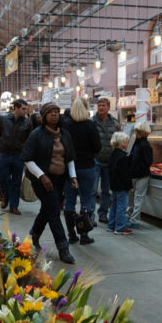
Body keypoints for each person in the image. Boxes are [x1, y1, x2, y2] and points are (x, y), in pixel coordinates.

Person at [20, 102, 78, 264]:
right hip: (41, 180)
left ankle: (33, 235)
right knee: (54, 211)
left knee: (48, 208)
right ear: (44, 116)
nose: (54, 114)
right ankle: (63, 247)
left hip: (59, 180)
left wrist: (73, 177)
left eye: (56, 112)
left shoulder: (65, 134)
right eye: (50, 112)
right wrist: (42, 176)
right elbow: (27, 159)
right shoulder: (37, 134)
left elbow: (70, 158)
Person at [63, 98, 101, 245]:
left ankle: (72, 235)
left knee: (69, 201)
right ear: (86, 108)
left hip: (69, 169)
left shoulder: (66, 125)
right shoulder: (90, 125)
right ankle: (84, 234)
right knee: (87, 200)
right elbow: (97, 147)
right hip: (87, 167)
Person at [0, 99, 32, 215]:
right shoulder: (2, 118)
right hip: (4, 154)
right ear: (16, 108)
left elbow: (30, 139)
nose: (25, 111)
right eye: (23, 109)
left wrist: (24, 148)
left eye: (26, 109)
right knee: (2, 178)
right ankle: (6, 196)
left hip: (18, 156)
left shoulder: (27, 123)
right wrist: (1, 141)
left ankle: (14, 206)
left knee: (16, 182)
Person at [91, 97, 121, 224]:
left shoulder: (115, 123)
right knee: (92, 190)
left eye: (103, 105)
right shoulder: (91, 122)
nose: (101, 108)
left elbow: (119, 140)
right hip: (95, 160)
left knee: (106, 190)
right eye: (99, 106)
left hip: (109, 161)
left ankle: (103, 214)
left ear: (109, 107)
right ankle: (90, 216)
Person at [127, 121, 153, 229]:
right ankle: (129, 216)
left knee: (137, 198)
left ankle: (134, 220)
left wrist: (135, 168)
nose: (135, 132)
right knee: (132, 198)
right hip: (135, 174)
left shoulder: (144, 145)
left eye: (137, 131)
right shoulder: (137, 143)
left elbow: (148, 161)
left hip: (141, 175)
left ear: (141, 131)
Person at [107, 132, 132, 235]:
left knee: (114, 206)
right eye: (126, 142)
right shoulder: (123, 157)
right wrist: (130, 186)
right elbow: (125, 174)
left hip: (114, 185)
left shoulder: (112, 155)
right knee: (122, 207)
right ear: (122, 143)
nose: (127, 143)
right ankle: (120, 228)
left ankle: (111, 225)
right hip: (122, 186)